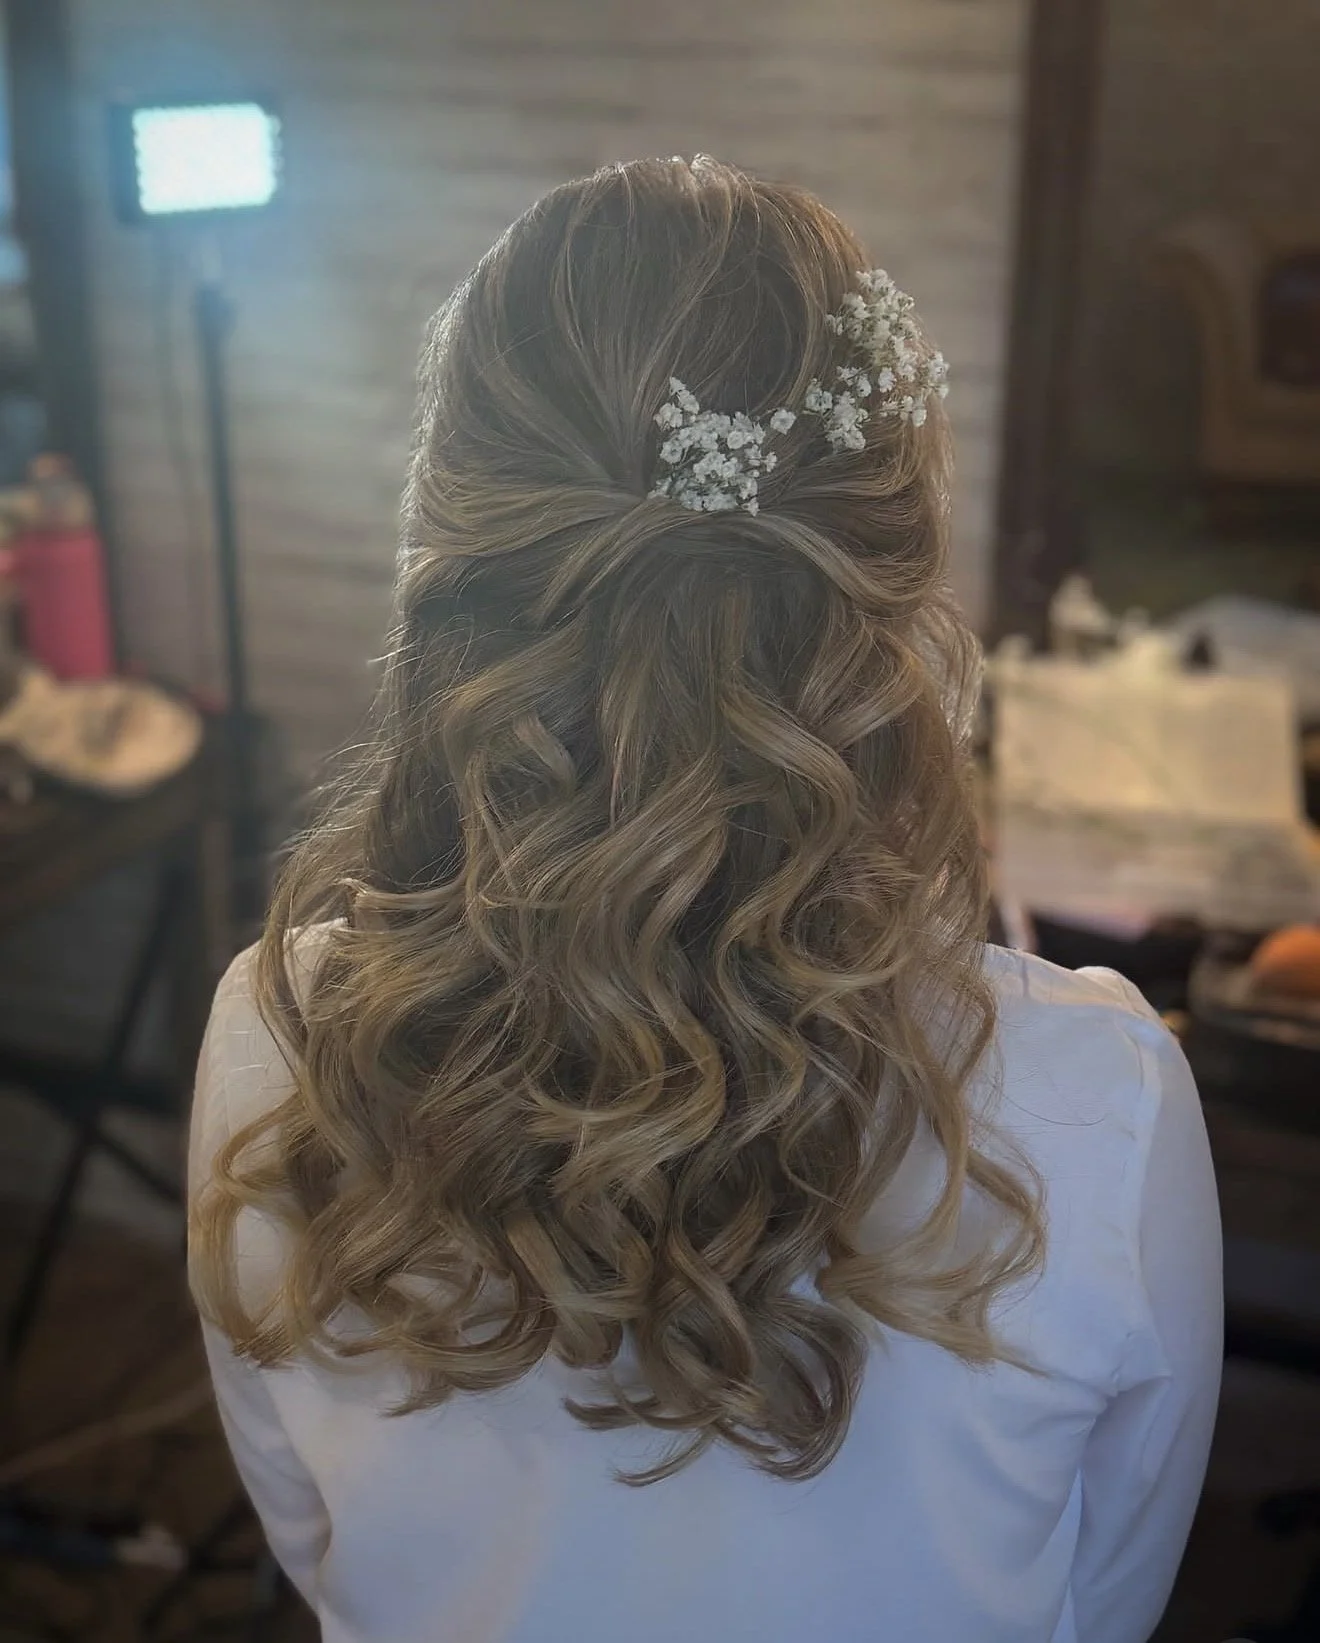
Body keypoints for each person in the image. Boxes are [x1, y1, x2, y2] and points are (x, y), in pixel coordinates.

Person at [188, 157, 1222, 1643]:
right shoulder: (1105, 1104)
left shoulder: (272, 1043)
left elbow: (314, 1544)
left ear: (456, 545)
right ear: (892, 577)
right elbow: (1100, 1601)